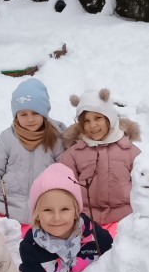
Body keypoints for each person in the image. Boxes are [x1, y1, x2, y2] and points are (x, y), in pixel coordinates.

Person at [0, 77, 65, 233]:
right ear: (16, 116)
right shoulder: (8, 137)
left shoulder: (56, 138)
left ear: (44, 113)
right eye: (23, 114)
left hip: (44, 213)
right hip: (6, 211)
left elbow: (65, 173)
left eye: (35, 113)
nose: (30, 119)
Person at [60, 88, 141, 236]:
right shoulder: (74, 153)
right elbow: (64, 188)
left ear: (109, 119)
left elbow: (143, 187)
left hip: (124, 218)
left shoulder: (130, 151)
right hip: (86, 219)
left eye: (98, 118)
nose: (92, 125)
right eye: (87, 121)